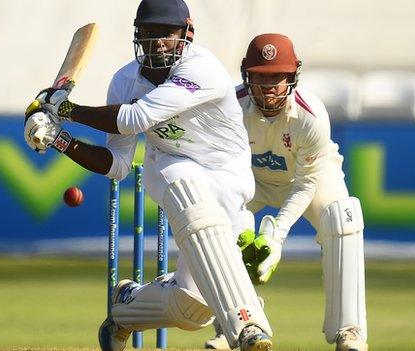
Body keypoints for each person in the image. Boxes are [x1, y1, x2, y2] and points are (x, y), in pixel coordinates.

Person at [22, 1, 273, 351]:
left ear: (187, 34)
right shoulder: (125, 81)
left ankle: (126, 307)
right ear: (138, 35)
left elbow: (135, 119)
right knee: (189, 189)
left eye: (166, 35)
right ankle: (248, 329)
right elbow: (117, 165)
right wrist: (59, 140)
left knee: (192, 309)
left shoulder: (203, 69)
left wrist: (63, 109)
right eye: (149, 34)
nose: (157, 43)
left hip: (228, 179)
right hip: (171, 165)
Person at [204, 34, 368, 351]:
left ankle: (350, 330)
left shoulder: (311, 116)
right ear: (246, 76)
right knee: (215, 226)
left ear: (292, 77)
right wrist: (237, 224)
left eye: (277, 76)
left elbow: (307, 182)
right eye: (260, 76)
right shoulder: (228, 108)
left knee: (342, 219)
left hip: (310, 177)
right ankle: (235, 324)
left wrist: (277, 234)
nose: (269, 86)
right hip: (249, 179)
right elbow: (219, 170)